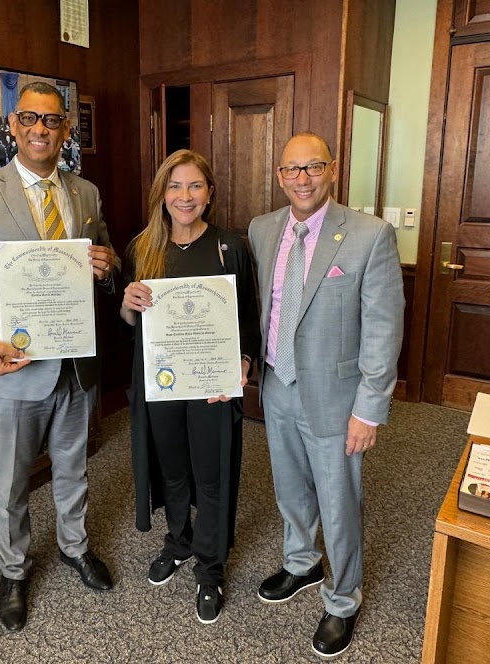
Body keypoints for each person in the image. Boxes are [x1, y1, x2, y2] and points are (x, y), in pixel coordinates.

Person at [0, 81, 120, 633]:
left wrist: (106, 269)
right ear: (13, 125)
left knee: (73, 468)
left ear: (65, 129)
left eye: (53, 121)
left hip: (75, 364)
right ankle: (14, 570)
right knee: (10, 482)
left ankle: (74, 547)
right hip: (11, 370)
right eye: (30, 119)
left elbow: (101, 264)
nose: (41, 129)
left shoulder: (86, 194)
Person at [248, 132, 404, 659]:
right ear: (279, 176)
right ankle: (301, 562)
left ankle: (342, 599)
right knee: (289, 486)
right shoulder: (262, 229)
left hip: (338, 398)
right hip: (277, 384)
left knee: (339, 502)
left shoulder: (369, 235)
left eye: (313, 167)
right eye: (292, 169)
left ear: (332, 170)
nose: (302, 179)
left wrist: (370, 408)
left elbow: (383, 330)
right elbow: (258, 307)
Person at [121, 149, 260, 625]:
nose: (185, 196)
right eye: (175, 186)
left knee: (212, 475)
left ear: (210, 194)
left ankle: (210, 567)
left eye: (195, 186)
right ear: (162, 194)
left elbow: (248, 319)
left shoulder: (230, 247)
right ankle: (178, 541)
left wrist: (242, 363)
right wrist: (128, 302)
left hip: (210, 387)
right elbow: (130, 323)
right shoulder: (142, 248)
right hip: (160, 384)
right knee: (172, 469)